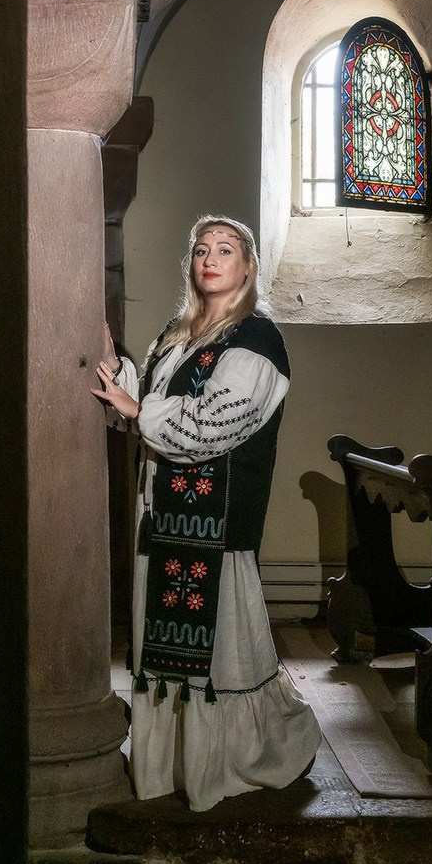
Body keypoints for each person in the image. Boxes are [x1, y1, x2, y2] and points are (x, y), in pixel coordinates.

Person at [91, 214, 322, 813]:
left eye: (224, 249)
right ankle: (168, 766)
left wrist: (137, 408)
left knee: (223, 652)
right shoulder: (178, 333)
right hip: (163, 521)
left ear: (247, 267)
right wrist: (122, 379)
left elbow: (206, 428)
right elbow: (154, 410)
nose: (209, 258)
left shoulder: (258, 341)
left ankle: (232, 759)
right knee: (162, 655)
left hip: (213, 533)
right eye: (200, 249)